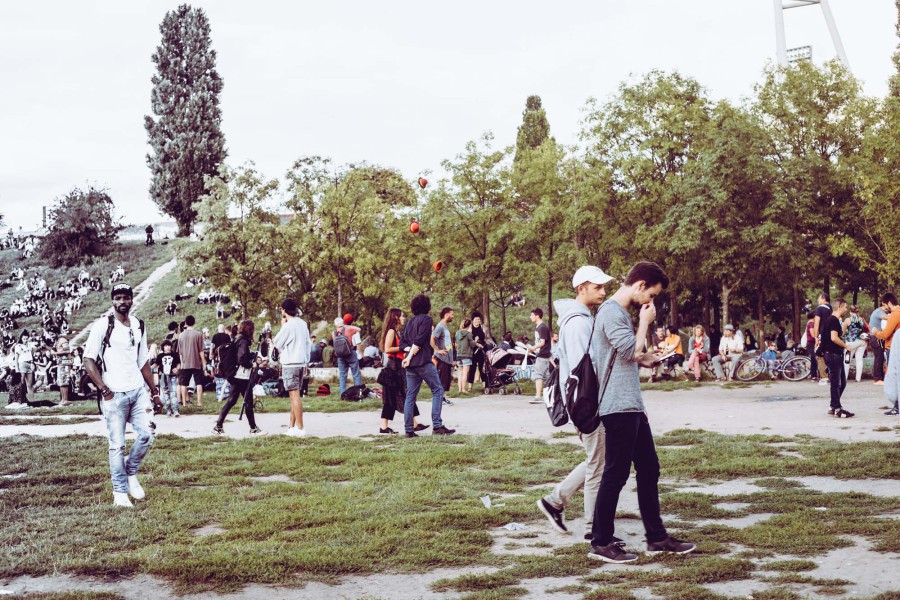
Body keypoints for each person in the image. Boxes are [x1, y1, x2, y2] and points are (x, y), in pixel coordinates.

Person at [588, 262, 695, 564]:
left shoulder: (619, 313)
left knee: (649, 469)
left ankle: (656, 537)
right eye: (651, 295)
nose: (651, 302)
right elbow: (628, 351)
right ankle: (600, 542)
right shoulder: (611, 312)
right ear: (639, 285)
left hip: (631, 404)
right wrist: (645, 322)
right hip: (617, 405)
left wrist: (645, 359)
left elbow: (629, 356)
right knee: (616, 474)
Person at [536, 265, 617, 542]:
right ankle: (592, 527)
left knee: (597, 459)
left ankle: (556, 501)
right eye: (598, 287)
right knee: (598, 464)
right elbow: (587, 368)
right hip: (587, 404)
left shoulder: (577, 319)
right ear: (581, 288)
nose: (604, 292)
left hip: (582, 404)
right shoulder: (580, 322)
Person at [83, 283, 161, 508]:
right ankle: (119, 492)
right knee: (117, 445)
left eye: (126, 297)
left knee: (147, 435)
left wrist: (154, 391)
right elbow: (88, 359)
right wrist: (103, 389)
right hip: (113, 395)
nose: (122, 302)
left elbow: (143, 360)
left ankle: (130, 472)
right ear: (112, 301)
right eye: (118, 298)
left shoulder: (138, 325)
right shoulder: (102, 326)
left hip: (137, 390)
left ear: (131, 299)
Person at [401, 294, 456, 437]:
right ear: (427, 306)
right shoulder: (426, 320)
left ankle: (409, 430)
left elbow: (403, 344)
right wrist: (414, 352)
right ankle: (437, 426)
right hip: (423, 362)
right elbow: (419, 341)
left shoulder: (409, 322)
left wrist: (409, 355)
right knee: (438, 390)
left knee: (410, 396)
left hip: (411, 365)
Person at [214, 319, 267, 436]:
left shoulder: (239, 339)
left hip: (237, 375)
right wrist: (251, 364)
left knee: (233, 401)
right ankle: (253, 429)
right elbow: (241, 358)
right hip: (241, 376)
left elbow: (242, 355)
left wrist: (252, 355)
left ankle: (218, 426)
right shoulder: (243, 341)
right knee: (247, 401)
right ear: (249, 329)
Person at [378, 307, 424, 434]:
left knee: (404, 394)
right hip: (393, 366)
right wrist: (404, 348)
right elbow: (387, 349)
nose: (404, 318)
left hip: (398, 366)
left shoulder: (397, 331)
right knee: (397, 395)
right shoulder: (391, 331)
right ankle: (385, 426)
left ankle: (414, 423)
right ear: (396, 317)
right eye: (402, 316)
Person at [274, 299, 312, 436]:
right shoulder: (302, 324)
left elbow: (277, 343)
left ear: (284, 310)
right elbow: (308, 343)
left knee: (294, 396)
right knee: (294, 395)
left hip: (290, 363)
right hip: (301, 362)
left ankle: (300, 428)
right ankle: (292, 426)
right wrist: (306, 360)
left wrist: (282, 326)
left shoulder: (288, 325)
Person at [820, 298, 853, 418]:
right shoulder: (833, 320)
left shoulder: (832, 321)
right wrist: (846, 346)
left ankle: (833, 406)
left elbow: (839, 335)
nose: (846, 309)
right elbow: (834, 338)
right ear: (839, 307)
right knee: (836, 383)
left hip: (833, 355)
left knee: (841, 382)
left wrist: (844, 325)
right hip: (833, 355)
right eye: (845, 307)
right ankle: (837, 408)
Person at [873, 293, 899, 415]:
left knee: (894, 378)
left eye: (884, 305)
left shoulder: (895, 315)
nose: (885, 308)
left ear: (889, 303)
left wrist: (875, 332)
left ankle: (897, 406)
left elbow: (885, 334)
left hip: (892, 348)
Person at [177, 315, 206, 407]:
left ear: (185, 323)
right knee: (198, 383)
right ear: (194, 322)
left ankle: (185, 403)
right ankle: (199, 403)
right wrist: (204, 363)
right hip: (196, 362)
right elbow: (201, 351)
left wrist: (182, 363)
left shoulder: (181, 335)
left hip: (185, 363)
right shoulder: (198, 334)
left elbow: (180, 352)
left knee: (183, 383)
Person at [528, 308, 553, 405]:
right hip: (543, 355)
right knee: (547, 377)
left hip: (542, 355)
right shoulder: (539, 327)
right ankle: (553, 395)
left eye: (532, 315)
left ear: (537, 316)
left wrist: (533, 348)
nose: (530, 317)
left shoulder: (542, 327)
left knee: (538, 375)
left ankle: (538, 397)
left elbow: (542, 343)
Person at [333, 316, 362, 394]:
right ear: (343, 322)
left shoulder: (334, 332)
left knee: (342, 375)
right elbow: (359, 329)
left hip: (340, 356)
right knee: (355, 373)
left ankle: (342, 394)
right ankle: (358, 392)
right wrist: (348, 326)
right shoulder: (348, 329)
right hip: (350, 353)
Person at [431, 307, 455, 404]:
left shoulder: (445, 327)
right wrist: (437, 350)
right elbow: (432, 338)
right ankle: (439, 399)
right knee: (441, 379)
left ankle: (443, 398)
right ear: (446, 315)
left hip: (447, 359)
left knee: (445, 380)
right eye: (452, 314)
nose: (453, 316)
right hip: (442, 358)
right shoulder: (440, 326)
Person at [842, 305, 868, 383]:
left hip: (851, 343)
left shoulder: (847, 320)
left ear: (850, 312)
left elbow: (843, 333)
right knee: (859, 360)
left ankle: (844, 378)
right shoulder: (861, 319)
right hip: (862, 341)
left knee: (847, 361)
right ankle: (858, 378)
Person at [811, 292, 832, 385]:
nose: (818, 300)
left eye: (819, 298)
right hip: (831, 334)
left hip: (822, 334)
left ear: (824, 299)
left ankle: (824, 377)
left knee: (819, 354)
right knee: (829, 354)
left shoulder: (819, 309)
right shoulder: (831, 309)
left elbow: (816, 324)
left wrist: (816, 337)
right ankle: (832, 375)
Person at [155, 339, 180, 417]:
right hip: (163, 376)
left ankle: (176, 410)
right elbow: (156, 365)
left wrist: (177, 368)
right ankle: (168, 410)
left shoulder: (174, 355)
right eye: (165, 346)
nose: (167, 347)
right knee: (165, 393)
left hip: (172, 376)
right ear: (163, 347)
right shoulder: (160, 356)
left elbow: (178, 364)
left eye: (169, 345)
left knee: (173, 392)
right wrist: (147, 368)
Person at [467, 313, 489, 392]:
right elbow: (469, 341)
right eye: (476, 319)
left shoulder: (482, 328)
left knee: (482, 368)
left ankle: (485, 386)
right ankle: (470, 387)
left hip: (481, 351)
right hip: (472, 352)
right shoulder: (470, 329)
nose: (477, 321)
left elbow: (485, 338)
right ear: (472, 321)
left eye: (479, 319)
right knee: (472, 369)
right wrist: (477, 344)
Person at [212, 324, 232, 402]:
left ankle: (219, 392)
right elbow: (229, 346)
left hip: (217, 356)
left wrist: (211, 354)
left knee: (218, 372)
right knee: (225, 373)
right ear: (223, 329)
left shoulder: (214, 336)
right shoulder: (227, 336)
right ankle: (226, 393)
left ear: (218, 329)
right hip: (225, 357)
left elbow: (212, 346)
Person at [869, 301, 888, 385]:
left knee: (879, 358)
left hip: (875, 338)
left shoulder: (876, 311)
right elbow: (886, 317)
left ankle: (879, 378)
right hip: (876, 338)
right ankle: (877, 379)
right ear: (884, 304)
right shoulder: (879, 312)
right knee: (879, 358)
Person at [52, 336, 74, 406]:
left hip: (65, 363)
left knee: (64, 381)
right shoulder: (57, 341)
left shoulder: (63, 340)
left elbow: (68, 351)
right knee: (61, 382)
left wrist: (56, 353)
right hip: (60, 363)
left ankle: (66, 399)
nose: (51, 335)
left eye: (52, 334)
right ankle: (63, 399)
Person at [455, 319, 474, 394]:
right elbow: (472, 344)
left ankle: (459, 389)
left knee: (460, 373)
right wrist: (475, 340)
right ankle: (464, 389)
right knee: (465, 373)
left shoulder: (457, 333)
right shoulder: (469, 334)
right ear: (469, 325)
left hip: (459, 355)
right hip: (467, 355)